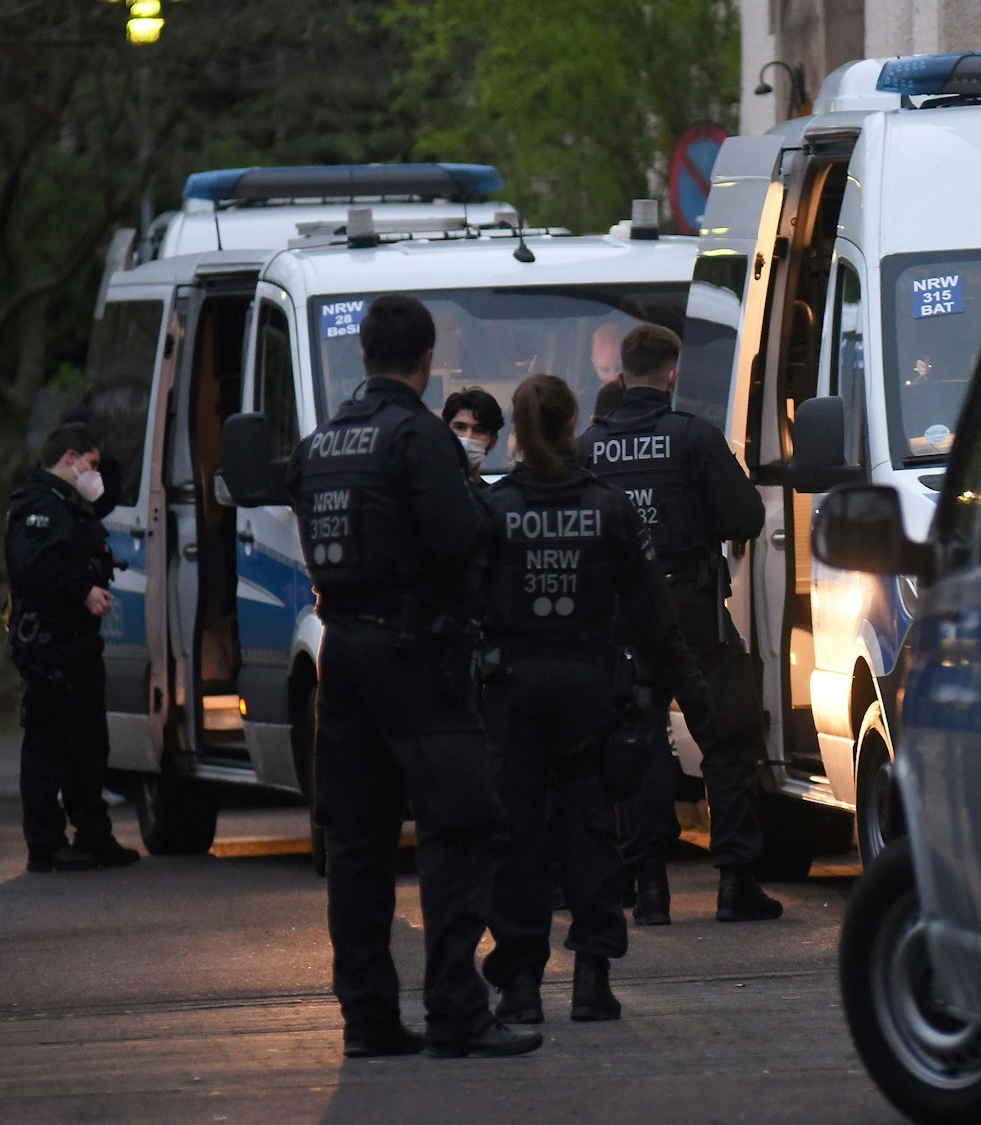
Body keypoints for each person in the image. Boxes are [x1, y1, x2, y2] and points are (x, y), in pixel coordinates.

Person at [283, 295, 539, 1061]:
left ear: (363, 354)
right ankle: (457, 1012)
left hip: (343, 650)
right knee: (458, 827)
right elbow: (458, 536)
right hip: (418, 657)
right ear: (427, 361)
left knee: (357, 842)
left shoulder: (324, 441)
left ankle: (367, 1019)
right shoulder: (418, 438)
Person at [477, 374, 715, 1024]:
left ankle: (521, 983)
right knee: (591, 831)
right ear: (572, 422)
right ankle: (590, 976)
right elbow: (652, 611)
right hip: (591, 687)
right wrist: (687, 686)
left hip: (516, 691)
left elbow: (469, 609)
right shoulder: (609, 507)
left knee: (519, 838)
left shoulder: (496, 511)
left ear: (520, 433)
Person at [580, 324, 782, 924]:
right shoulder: (692, 437)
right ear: (672, 374)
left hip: (620, 620)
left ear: (620, 374)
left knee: (639, 746)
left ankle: (650, 891)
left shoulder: (590, 447)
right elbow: (745, 515)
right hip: (691, 613)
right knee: (726, 738)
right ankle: (735, 883)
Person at [3, 424, 138, 872]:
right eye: (91, 465)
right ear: (71, 459)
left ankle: (93, 834)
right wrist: (83, 590)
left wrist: (106, 463)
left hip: (76, 645)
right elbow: (36, 566)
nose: (95, 474)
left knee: (88, 745)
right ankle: (46, 844)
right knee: (48, 746)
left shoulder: (66, 504)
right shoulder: (39, 507)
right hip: (49, 644)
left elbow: (108, 496)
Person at [442, 387, 504, 488]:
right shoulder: (423, 491)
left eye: (479, 430)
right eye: (460, 427)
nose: (468, 437)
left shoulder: (494, 500)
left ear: (493, 441)